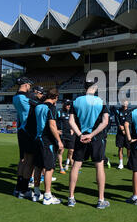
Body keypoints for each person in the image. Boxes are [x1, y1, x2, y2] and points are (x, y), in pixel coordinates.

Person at [68, 79, 110, 209]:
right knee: (99, 166)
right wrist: (91, 135)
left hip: (81, 138)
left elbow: (71, 121)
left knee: (76, 166)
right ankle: (100, 199)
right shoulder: (101, 101)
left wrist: (81, 135)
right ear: (95, 87)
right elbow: (105, 122)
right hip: (96, 138)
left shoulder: (76, 101)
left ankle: (71, 198)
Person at [30, 89, 64, 205]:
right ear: (55, 97)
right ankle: (48, 195)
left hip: (38, 139)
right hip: (47, 141)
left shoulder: (39, 106)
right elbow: (52, 125)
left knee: (38, 167)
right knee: (49, 168)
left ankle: (37, 193)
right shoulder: (51, 107)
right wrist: (59, 141)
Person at [12, 77, 36, 198]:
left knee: (22, 160)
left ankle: (18, 187)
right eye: (29, 86)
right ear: (26, 85)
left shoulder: (15, 97)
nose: (30, 88)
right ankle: (24, 190)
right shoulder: (27, 97)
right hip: (29, 131)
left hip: (21, 130)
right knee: (29, 161)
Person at [56, 99, 76, 174]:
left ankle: (68, 163)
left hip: (71, 135)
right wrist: (57, 130)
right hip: (62, 134)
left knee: (71, 150)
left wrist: (73, 129)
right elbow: (53, 122)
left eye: (69, 104)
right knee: (61, 150)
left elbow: (75, 122)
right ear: (63, 104)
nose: (68, 106)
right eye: (67, 104)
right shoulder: (58, 112)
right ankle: (61, 167)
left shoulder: (73, 112)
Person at [114, 100, 131, 170]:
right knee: (120, 148)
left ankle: (129, 162)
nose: (125, 103)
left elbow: (130, 122)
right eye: (123, 102)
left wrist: (126, 130)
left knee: (129, 149)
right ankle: (121, 163)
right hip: (120, 134)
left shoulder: (130, 112)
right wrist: (122, 129)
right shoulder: (118, 111)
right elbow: (117, 121)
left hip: (128, 133)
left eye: (126, 102)